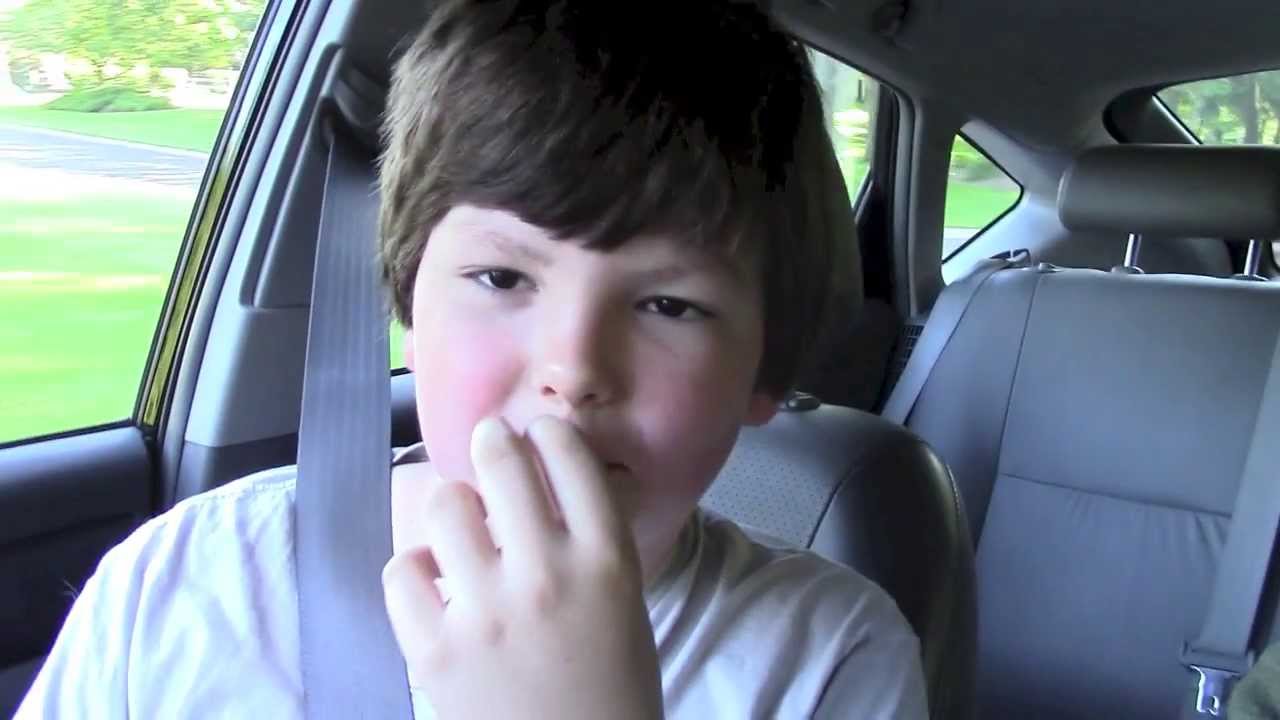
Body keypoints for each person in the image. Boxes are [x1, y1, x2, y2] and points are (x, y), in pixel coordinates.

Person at [16, 0, 927, 717]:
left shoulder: (828, 659)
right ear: (409, 306)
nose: (573, 369)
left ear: (765, 375)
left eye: (669, 305)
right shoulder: (185, 580)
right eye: (500, 277)